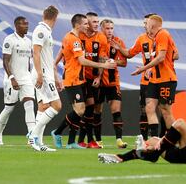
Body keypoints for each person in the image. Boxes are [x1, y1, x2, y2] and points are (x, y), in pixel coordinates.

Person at [98, 86, 186, 165]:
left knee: (178, 123)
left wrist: (162, 142)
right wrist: (160, 142)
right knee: (152, 140)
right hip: (185, 155)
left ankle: (153, 154)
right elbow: (181, 136)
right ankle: (121, 158)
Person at [51, 14, 116, 149]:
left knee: (81, 109)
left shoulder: (74, 38)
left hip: (80, 79)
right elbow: (81, 60)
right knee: (80, 110)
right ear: (78, 25)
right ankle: (57, 132)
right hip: (73, 79)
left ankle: (71, 142)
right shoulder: (74, 39)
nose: (88, 26)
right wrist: (103, 66)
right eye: (86, 24)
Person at [131, 14, 178, 137]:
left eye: (146, 24)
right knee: (149, 107)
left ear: (151, 25)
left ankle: (175, 139)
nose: (145, 26)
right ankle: (154, 139)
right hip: (154, 80)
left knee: (166, 111)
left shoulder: (163, 34)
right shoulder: (155, 38)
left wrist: (143, 68)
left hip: (166, 79)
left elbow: (161, 58)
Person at [0, 16, 36, 145]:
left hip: (26, 79)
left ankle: (31, 137)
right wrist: (12, 78)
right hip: (12, 79)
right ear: (17, 26)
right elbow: (5, 61)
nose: (27, 26)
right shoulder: (9, 40)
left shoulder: (29, 41)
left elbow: (28, 62)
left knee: (29, 105)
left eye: (27, 24)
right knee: (8, 109)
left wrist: (29, 75)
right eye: (24, 24)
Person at [28, 5, 62, 152]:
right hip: (41, 74)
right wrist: (40, 74)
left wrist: (55, 77)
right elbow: (36, 53)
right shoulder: (41, 30)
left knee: (43, 107)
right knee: (57, 105)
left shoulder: (47, 31)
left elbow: (47, 58)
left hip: (46, 74)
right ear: (55, 18)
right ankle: (32, 135)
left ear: (44, 15)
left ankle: (39, 143)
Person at [94, 19, 128, 148]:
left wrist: (113, 61)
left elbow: (124, 63)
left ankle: (119, 140)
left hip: (113, 82)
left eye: (111, 28)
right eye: (107, 28)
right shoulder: (97, 41)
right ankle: (98, 141)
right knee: (97, 111)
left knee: (116, 110)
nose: (109, 31)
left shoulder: (118, 42)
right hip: (99, 82)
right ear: (101, 29)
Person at [76, 12, 108, 148]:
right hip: (79, 77)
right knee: (83, 109)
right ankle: (83, 140)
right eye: (93, 22)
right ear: (86, 23)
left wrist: (99, 76)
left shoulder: (101, 37)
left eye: (97, 21)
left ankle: (83, 140)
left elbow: (102, 58)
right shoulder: (77, 35)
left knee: (90, 109)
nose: (96, 24)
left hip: (93, 79)